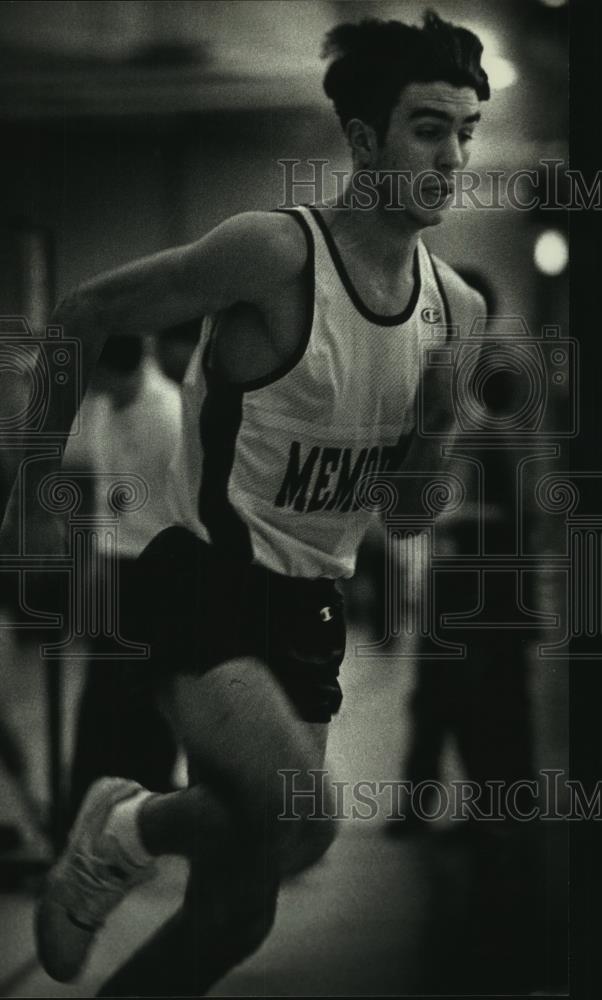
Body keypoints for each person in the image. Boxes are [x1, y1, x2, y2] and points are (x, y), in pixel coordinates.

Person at [34, 11, 490, 995]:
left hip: (308, 612)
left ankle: (127, 832)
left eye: (466, 129)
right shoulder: (275, 255)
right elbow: (86, 315)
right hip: (203, 576)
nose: (453, 154)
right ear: (364, 139)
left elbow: (407, 514)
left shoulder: (456, 309)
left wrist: (440, 426)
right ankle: (122, 827)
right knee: (304, 818)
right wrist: (28, 493)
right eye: (427, 127)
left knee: (234, 916)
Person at [63, 335, 181, 818]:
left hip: (159, 568)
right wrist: (95, 564)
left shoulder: (170, 417)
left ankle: (145, 800)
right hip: (119, 562)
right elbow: (106, 494)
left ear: (119, 371)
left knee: (147, 696)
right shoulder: (106, 406)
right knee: (102, 698)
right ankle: (88, 805)